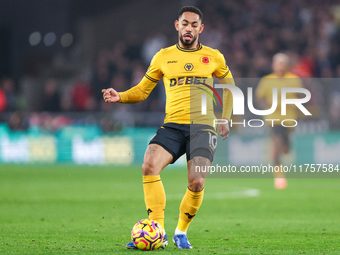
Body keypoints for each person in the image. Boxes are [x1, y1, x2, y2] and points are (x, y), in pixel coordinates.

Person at [102, 6, 235, 249]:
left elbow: (230, 88)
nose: (189, 28)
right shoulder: (163, 56)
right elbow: (142, 90)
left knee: (196, 181)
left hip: (203, 127)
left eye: (194, 25)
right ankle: (157, 230)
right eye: (185, 23)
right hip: (172, 125)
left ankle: (181, 232)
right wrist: (119, 96)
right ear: (177, 25)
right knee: (149, 165)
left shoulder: (213, 56)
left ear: (201, 29)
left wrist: (225, 118)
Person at [256, 53, 303, 190]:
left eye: (282, 63)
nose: (279, 66)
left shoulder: (294, 80)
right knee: (276, 145)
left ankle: (285, 150)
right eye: (277, 63)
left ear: (287, 65)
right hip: (272, 119)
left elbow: (302, 97)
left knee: (285, 149)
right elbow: (259, 98)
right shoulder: (267, 80)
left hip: (289, 119)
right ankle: (279, 176)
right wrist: (266, 104)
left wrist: (294, 103)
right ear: (273, 65)